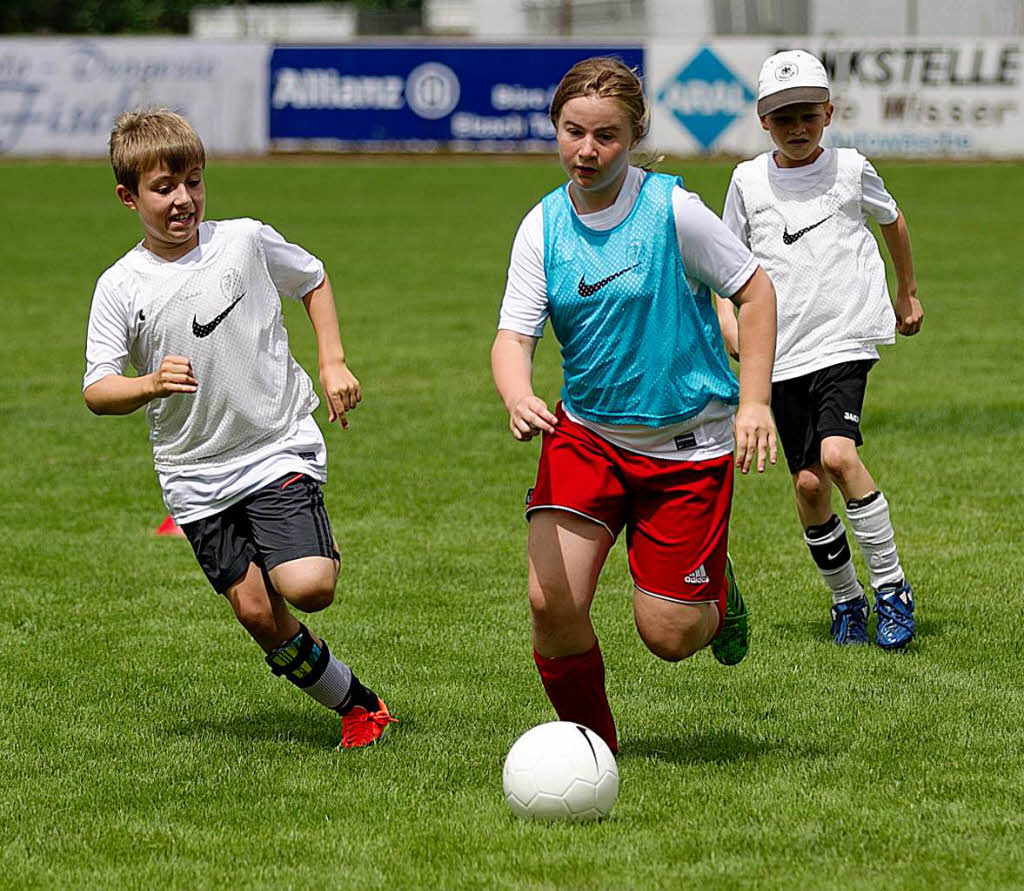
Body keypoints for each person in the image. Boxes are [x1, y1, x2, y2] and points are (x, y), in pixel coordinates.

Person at [490, 57, 777, 754]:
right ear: (555, 128)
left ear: (635, 134)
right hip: (586, 436)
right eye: (573, 132)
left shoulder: (674, 211)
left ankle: (716, 595)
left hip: (687, 447)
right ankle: (591, 748)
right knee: (550, 602)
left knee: (670, 635)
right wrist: (518, 392)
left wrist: (755, 403)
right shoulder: (543, 226)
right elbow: (512, 335)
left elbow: (756, 291)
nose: (586, 151)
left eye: (606, 137)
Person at [83, 109, 395, 748]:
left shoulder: (244, 240)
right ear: (128, 196)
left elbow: (312, 280)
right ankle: (360, 706)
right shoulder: (119, 286)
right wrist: (146, 384)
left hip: (273, 443)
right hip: (193, 471)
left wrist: (333, 361)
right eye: (163, 187)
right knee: (257, 613)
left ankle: (296, 540)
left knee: (308, 587)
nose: (182, 200)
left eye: (193, 182)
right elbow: (97, 388)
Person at [717, 50, 924, 649]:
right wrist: (730, 322)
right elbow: (723, 264)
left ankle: (891, 590)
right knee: (809, 488)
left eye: (808, 114)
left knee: (837, 455)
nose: (798, 127)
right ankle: (846, 602)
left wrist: (905, 292)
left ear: (829, 112)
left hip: (844, 337)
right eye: (784, 119)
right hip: (780, 353)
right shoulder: (747, 181)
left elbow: (893, 222)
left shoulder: (852, 169)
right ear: (764, 123)